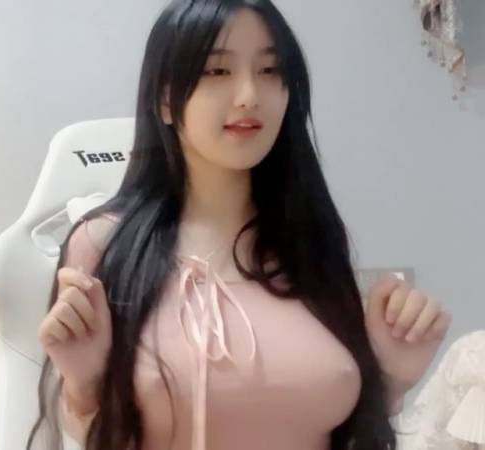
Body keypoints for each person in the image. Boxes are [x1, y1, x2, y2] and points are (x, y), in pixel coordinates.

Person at [28, 1, 452, 449]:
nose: (250, 94)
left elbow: (346, 431)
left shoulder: (311, 241)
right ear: (165, 99)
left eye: (270, 70)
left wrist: (387, 379)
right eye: (217, 71)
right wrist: (84, 386)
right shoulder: (106, 246)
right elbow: (95, 432)